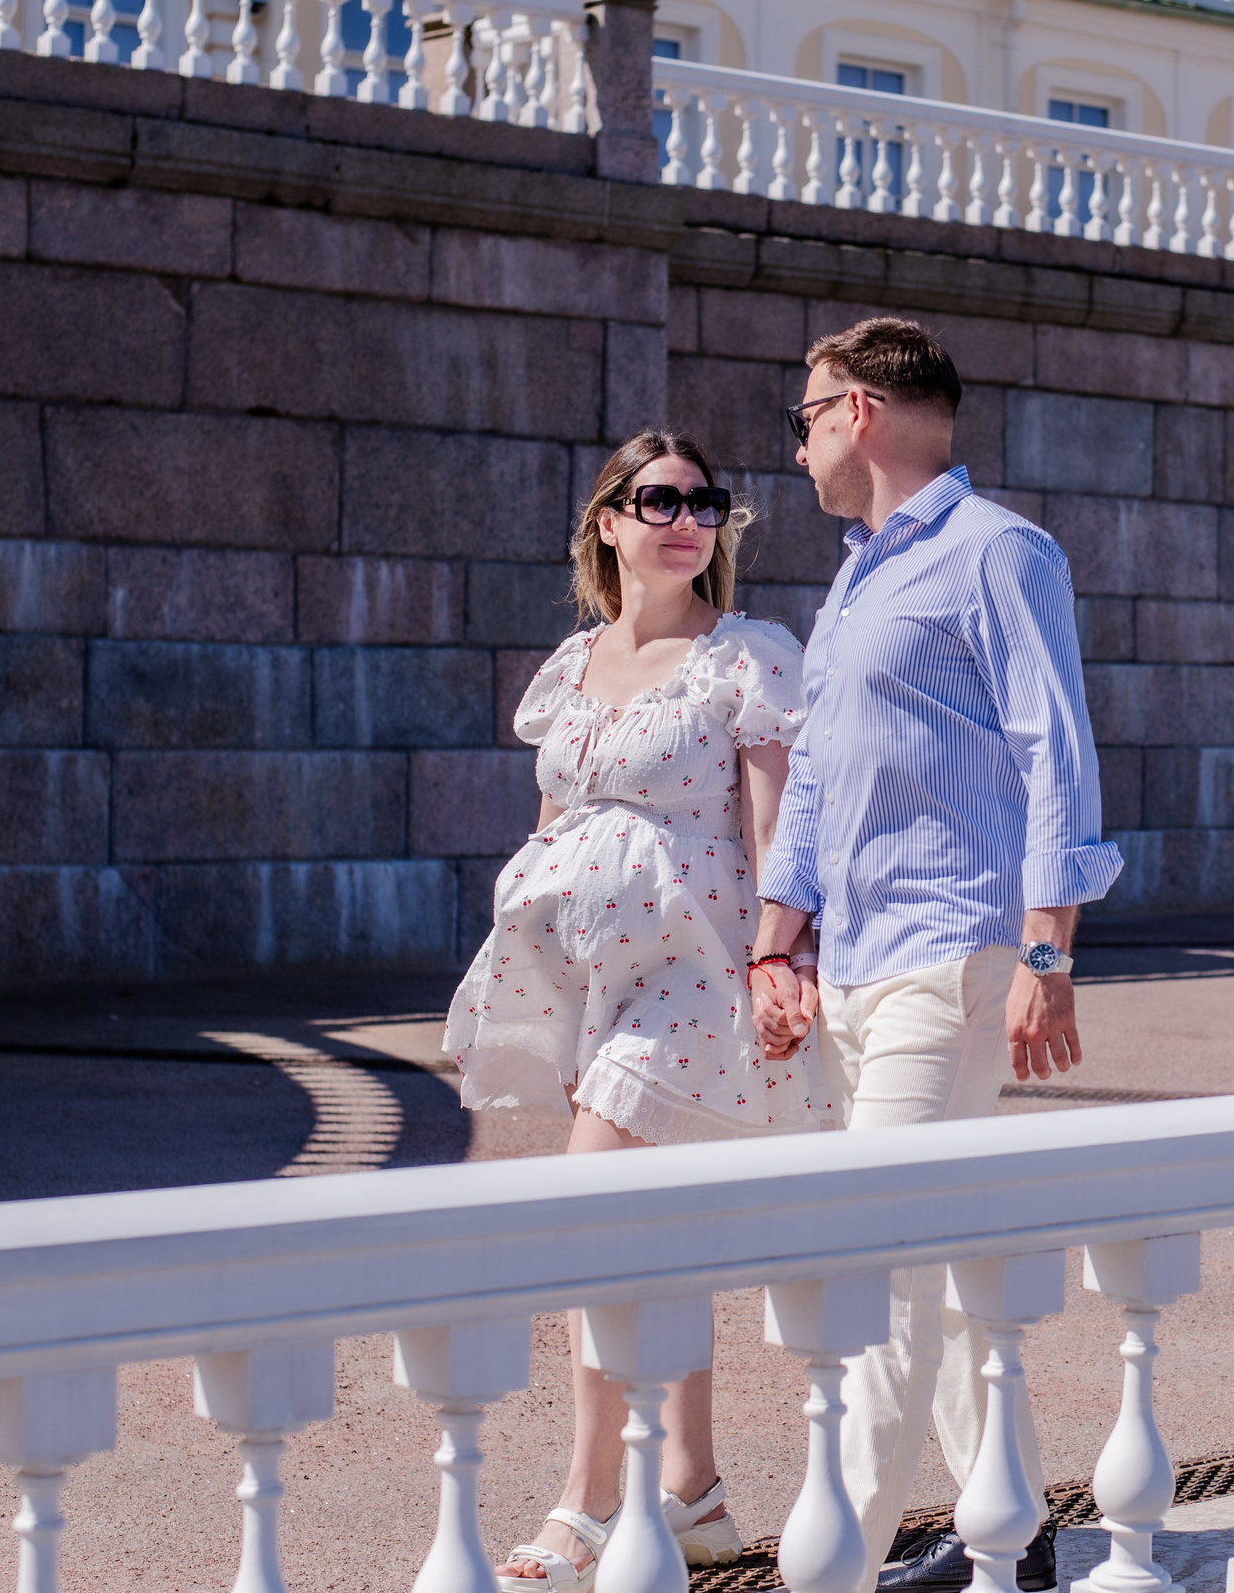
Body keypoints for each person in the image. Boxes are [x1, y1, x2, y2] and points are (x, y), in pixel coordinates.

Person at [750, 318, 1123, 1593]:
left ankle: (831, 1569)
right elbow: (813, 780)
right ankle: (1003, 1540)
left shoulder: (997, 553)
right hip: (851, 963)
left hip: (951, 952)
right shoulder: (854, 575)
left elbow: (1051, 749)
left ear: (856, 411)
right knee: (952, 1274)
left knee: (876, 1268)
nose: (793, 447)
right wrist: (774, 945)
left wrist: (1047, 947)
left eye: (800, 419)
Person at [444, 428, 821, 1593]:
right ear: (607, 521)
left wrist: (778, 958)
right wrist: (551, 985)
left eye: (704, 503)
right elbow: (557, 827)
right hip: (595, 982)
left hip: (696, 977)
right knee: (658, 1231)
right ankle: (695, 1491)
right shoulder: (572, 667)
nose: (685, 520)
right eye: (657, 500)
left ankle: (587, 1499)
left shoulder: (743, 658)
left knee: (592, 1220)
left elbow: (777, 830)